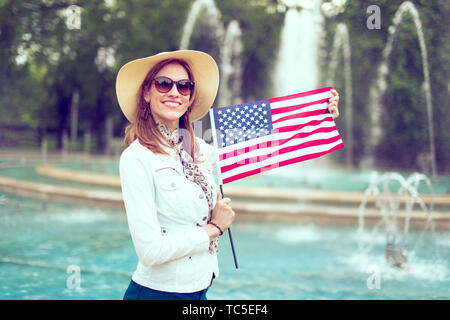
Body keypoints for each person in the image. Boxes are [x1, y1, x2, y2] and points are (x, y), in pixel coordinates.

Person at [116, 50, 340, 300]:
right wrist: (213, 228)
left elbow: (261, 152)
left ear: (190, 96)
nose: (174, 92)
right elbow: (150, 251)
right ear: (147, 92)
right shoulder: (137, 158)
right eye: (163, 84)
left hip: (199, 291)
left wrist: (316, 116)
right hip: (158, 294)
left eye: (184, 86)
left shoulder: (197, 147)